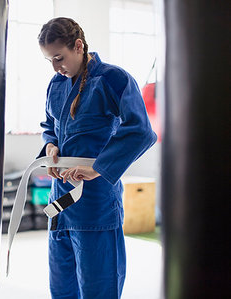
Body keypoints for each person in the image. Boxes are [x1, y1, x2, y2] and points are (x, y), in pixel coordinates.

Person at [36, 17, 157, 299]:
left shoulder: (113, 79)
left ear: (78, 46)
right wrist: (51, 147)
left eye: (59, 58)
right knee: (62, 287)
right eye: (49, 61)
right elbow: (48, 127)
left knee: (98, 288)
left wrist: (98, 169)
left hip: (96, 202)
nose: (56, 67)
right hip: (60, 204)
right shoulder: (56, 84)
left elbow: (141, 132)